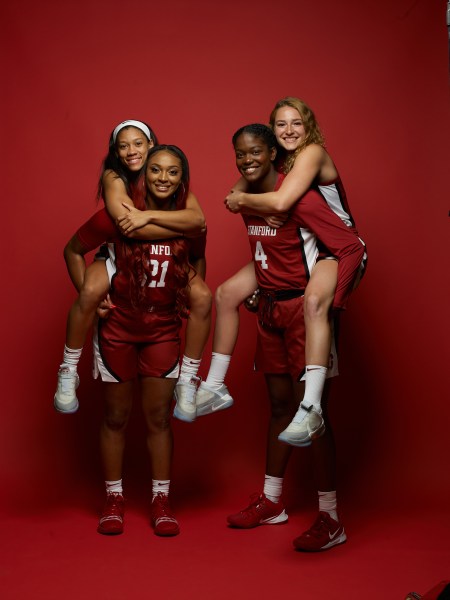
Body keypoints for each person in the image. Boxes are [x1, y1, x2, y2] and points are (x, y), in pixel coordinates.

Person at [221, 123, 365, 551]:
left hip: (308, 309)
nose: (247, 161)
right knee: (281, 405)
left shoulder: (298, 195)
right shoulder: (257, 193)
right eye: (241, 155)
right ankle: (271, 501)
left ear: (272, 153)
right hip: (271, 308)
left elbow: (344, 246)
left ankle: (330, 516)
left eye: (255, 152)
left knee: (313, 411)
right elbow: (271, 251)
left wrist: (329, 299)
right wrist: (258, 289)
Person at [197, 97, 366, 448]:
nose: (289, 130)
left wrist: (250, 202)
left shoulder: (312, 153)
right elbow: (235, 194)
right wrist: (245, 198)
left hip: (336, 247)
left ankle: (311, 407)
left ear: (309, 128)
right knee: (227, 293)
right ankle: (214, 386)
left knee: (315, 302)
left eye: (297, 123)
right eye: (281, 124)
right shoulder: (278, 162)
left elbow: (277, 203)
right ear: (272, 135)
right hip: (298, 247)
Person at [64, 144, 204, 536]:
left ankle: (161, 498)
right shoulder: (117, 216)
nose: (163, 178)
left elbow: (199, 260)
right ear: (143, 175)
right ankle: (114, 497)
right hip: (119, 327)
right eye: (155, 170)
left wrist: (187, 295)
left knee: (159, 419)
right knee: (116, 417)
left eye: (172, 172)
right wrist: (93, 295)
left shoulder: (188, 222)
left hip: (161, 328)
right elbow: (74, 248)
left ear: (183, 178)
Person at [54, 120, 211, 421]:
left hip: (160, 285)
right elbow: (127, 226)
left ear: (152, 145)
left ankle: (190, 381)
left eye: (138, 143)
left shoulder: (176, 185)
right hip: (117, 255)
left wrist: (148, 216)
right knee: (90, 290)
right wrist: (167, 227)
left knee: (204, 297)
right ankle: (67, 369)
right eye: (123, 146)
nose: (131, 151)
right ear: (115, 152)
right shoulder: (116, 177)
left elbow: (198, 223)